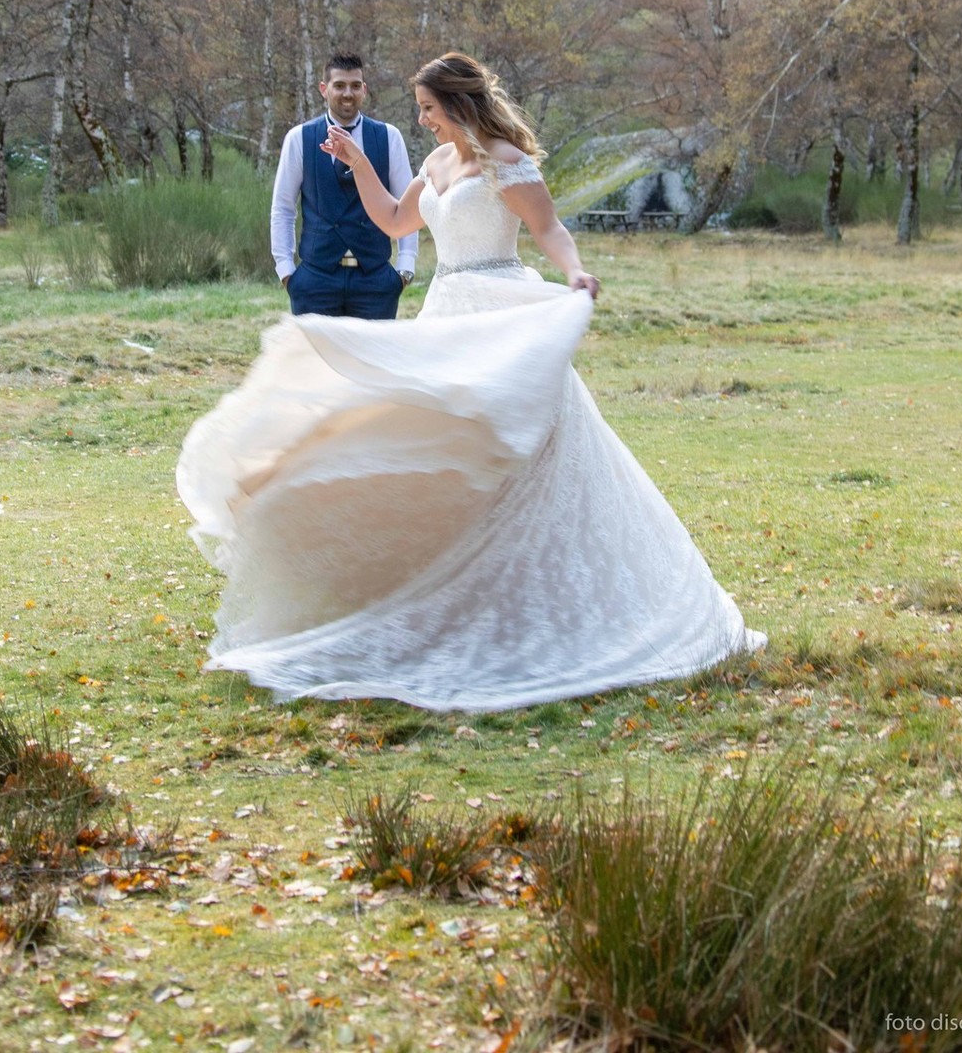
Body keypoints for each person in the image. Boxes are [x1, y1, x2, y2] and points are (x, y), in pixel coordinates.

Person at [178, 52, 764, 711]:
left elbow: (548, 227)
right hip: (446, 310)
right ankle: (441, 593)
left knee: (513, 452)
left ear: (456, 104)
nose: (422, 121)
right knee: (429, 446)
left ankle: (533, 598)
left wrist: (573, 272)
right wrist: (360, 164)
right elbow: (396, 223)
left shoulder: (501, 155)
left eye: (428, 108)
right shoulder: (433, 165)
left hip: (499, 307)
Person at [270, 53, 417, 319]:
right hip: (315, 280)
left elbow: (408, 205)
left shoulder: (389, 137)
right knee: (314, 362)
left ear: (364, 89)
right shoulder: (299, 138)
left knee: (372, 361)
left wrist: (405, 267)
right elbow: (283, 208)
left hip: (375, 280)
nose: (347, 93)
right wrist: (286, 270)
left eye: (355, 85)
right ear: (324, 89)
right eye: (339, 85)